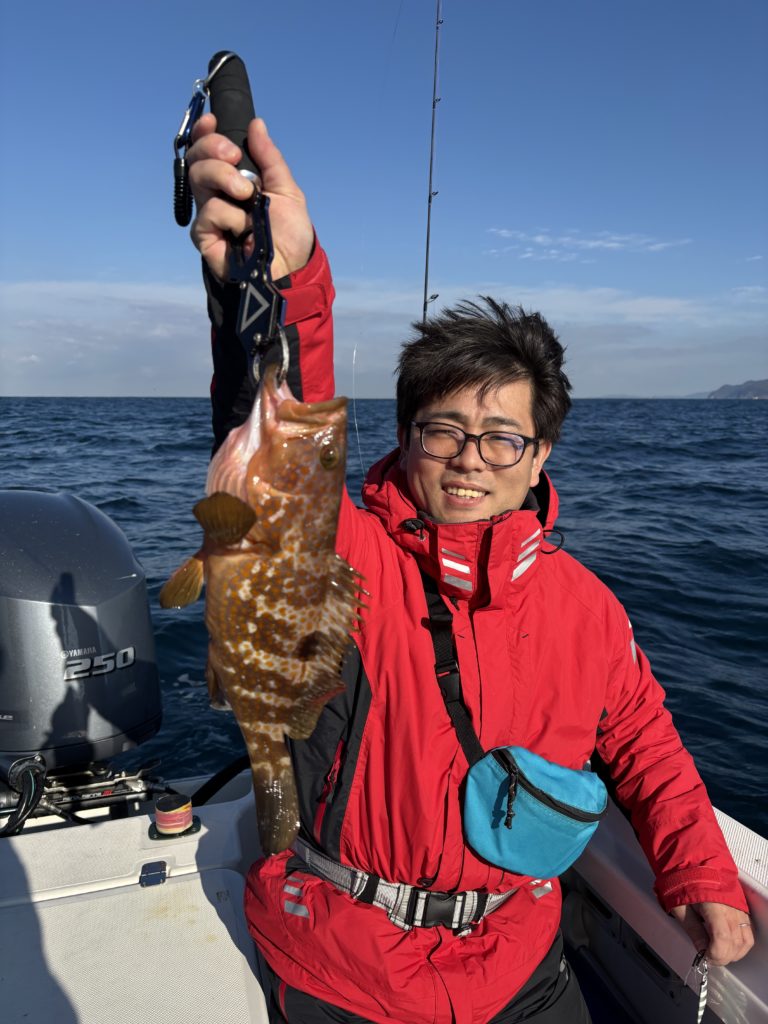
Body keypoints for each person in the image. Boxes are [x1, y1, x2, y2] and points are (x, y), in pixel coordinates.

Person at [186, 114, 753, 1024]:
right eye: (443, 430)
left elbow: (645, 742)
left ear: (540, 454)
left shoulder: (587, 608)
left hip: (522, 960)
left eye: (501, 438)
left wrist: (698, 869)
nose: (469, 460)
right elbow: (280, 466)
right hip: (347, 967)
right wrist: (287, 285)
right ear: (407, 437)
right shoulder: (352, 554)